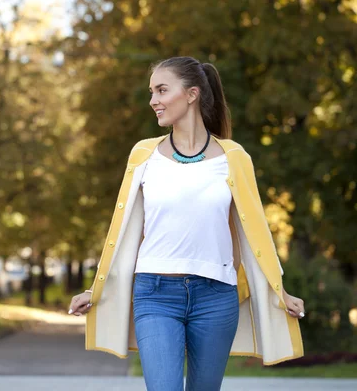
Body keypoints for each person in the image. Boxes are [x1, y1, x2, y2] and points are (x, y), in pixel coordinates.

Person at [68, 56, 305, 391]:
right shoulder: (143, 156)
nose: (153, 100)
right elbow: (124, 233)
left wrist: (279, 291)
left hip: (216, 296)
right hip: (155, 293)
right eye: (152, 92)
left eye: (162, 90)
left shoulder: (233, 158)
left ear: (192, 94)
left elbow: (254, 235)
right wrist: (98, 288)